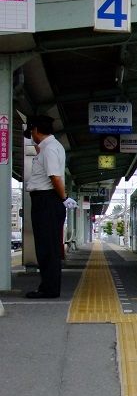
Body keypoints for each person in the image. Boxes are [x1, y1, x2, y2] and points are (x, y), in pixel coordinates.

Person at [23, 115, 77, 299]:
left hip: (47, 201)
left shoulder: (50, 149)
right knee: (47, 246)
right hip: (46, 201)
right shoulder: (49, 148)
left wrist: (64, 198)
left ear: (36, 130)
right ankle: (48, 286)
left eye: (31, 131)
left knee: (48, 248)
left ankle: (49, 289)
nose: (31, 135)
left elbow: (55, 177)